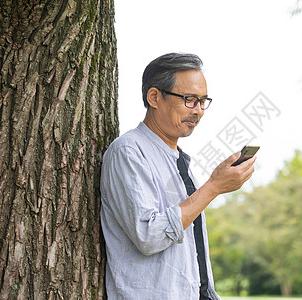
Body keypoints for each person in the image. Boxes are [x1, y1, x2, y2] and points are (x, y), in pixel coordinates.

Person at [100, 53, 256, 300]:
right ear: (154, 97)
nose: (199, 111)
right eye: (189, 100)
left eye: (203, 101)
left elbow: (190, 252)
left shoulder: (179, 159)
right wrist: (213, 187)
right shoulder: (128, 151)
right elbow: (148, 236)